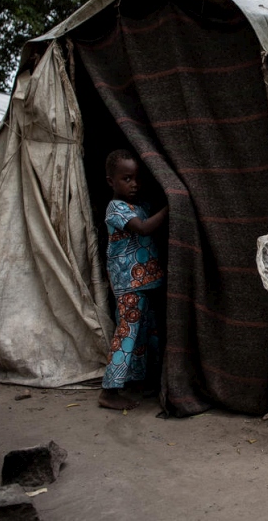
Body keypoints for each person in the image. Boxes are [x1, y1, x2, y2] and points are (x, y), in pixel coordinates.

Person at [99, 149, 169, 410]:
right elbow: (143, 227)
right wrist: (172, 205)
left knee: (144, 334)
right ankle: (109, 390)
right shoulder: (115, 209)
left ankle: (137, 380)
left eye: (136, 179)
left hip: (145, 283)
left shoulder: (138, 206)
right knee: (127, 334)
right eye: (126, 179)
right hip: (128, 285)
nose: (134, 184)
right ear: (111, 182)